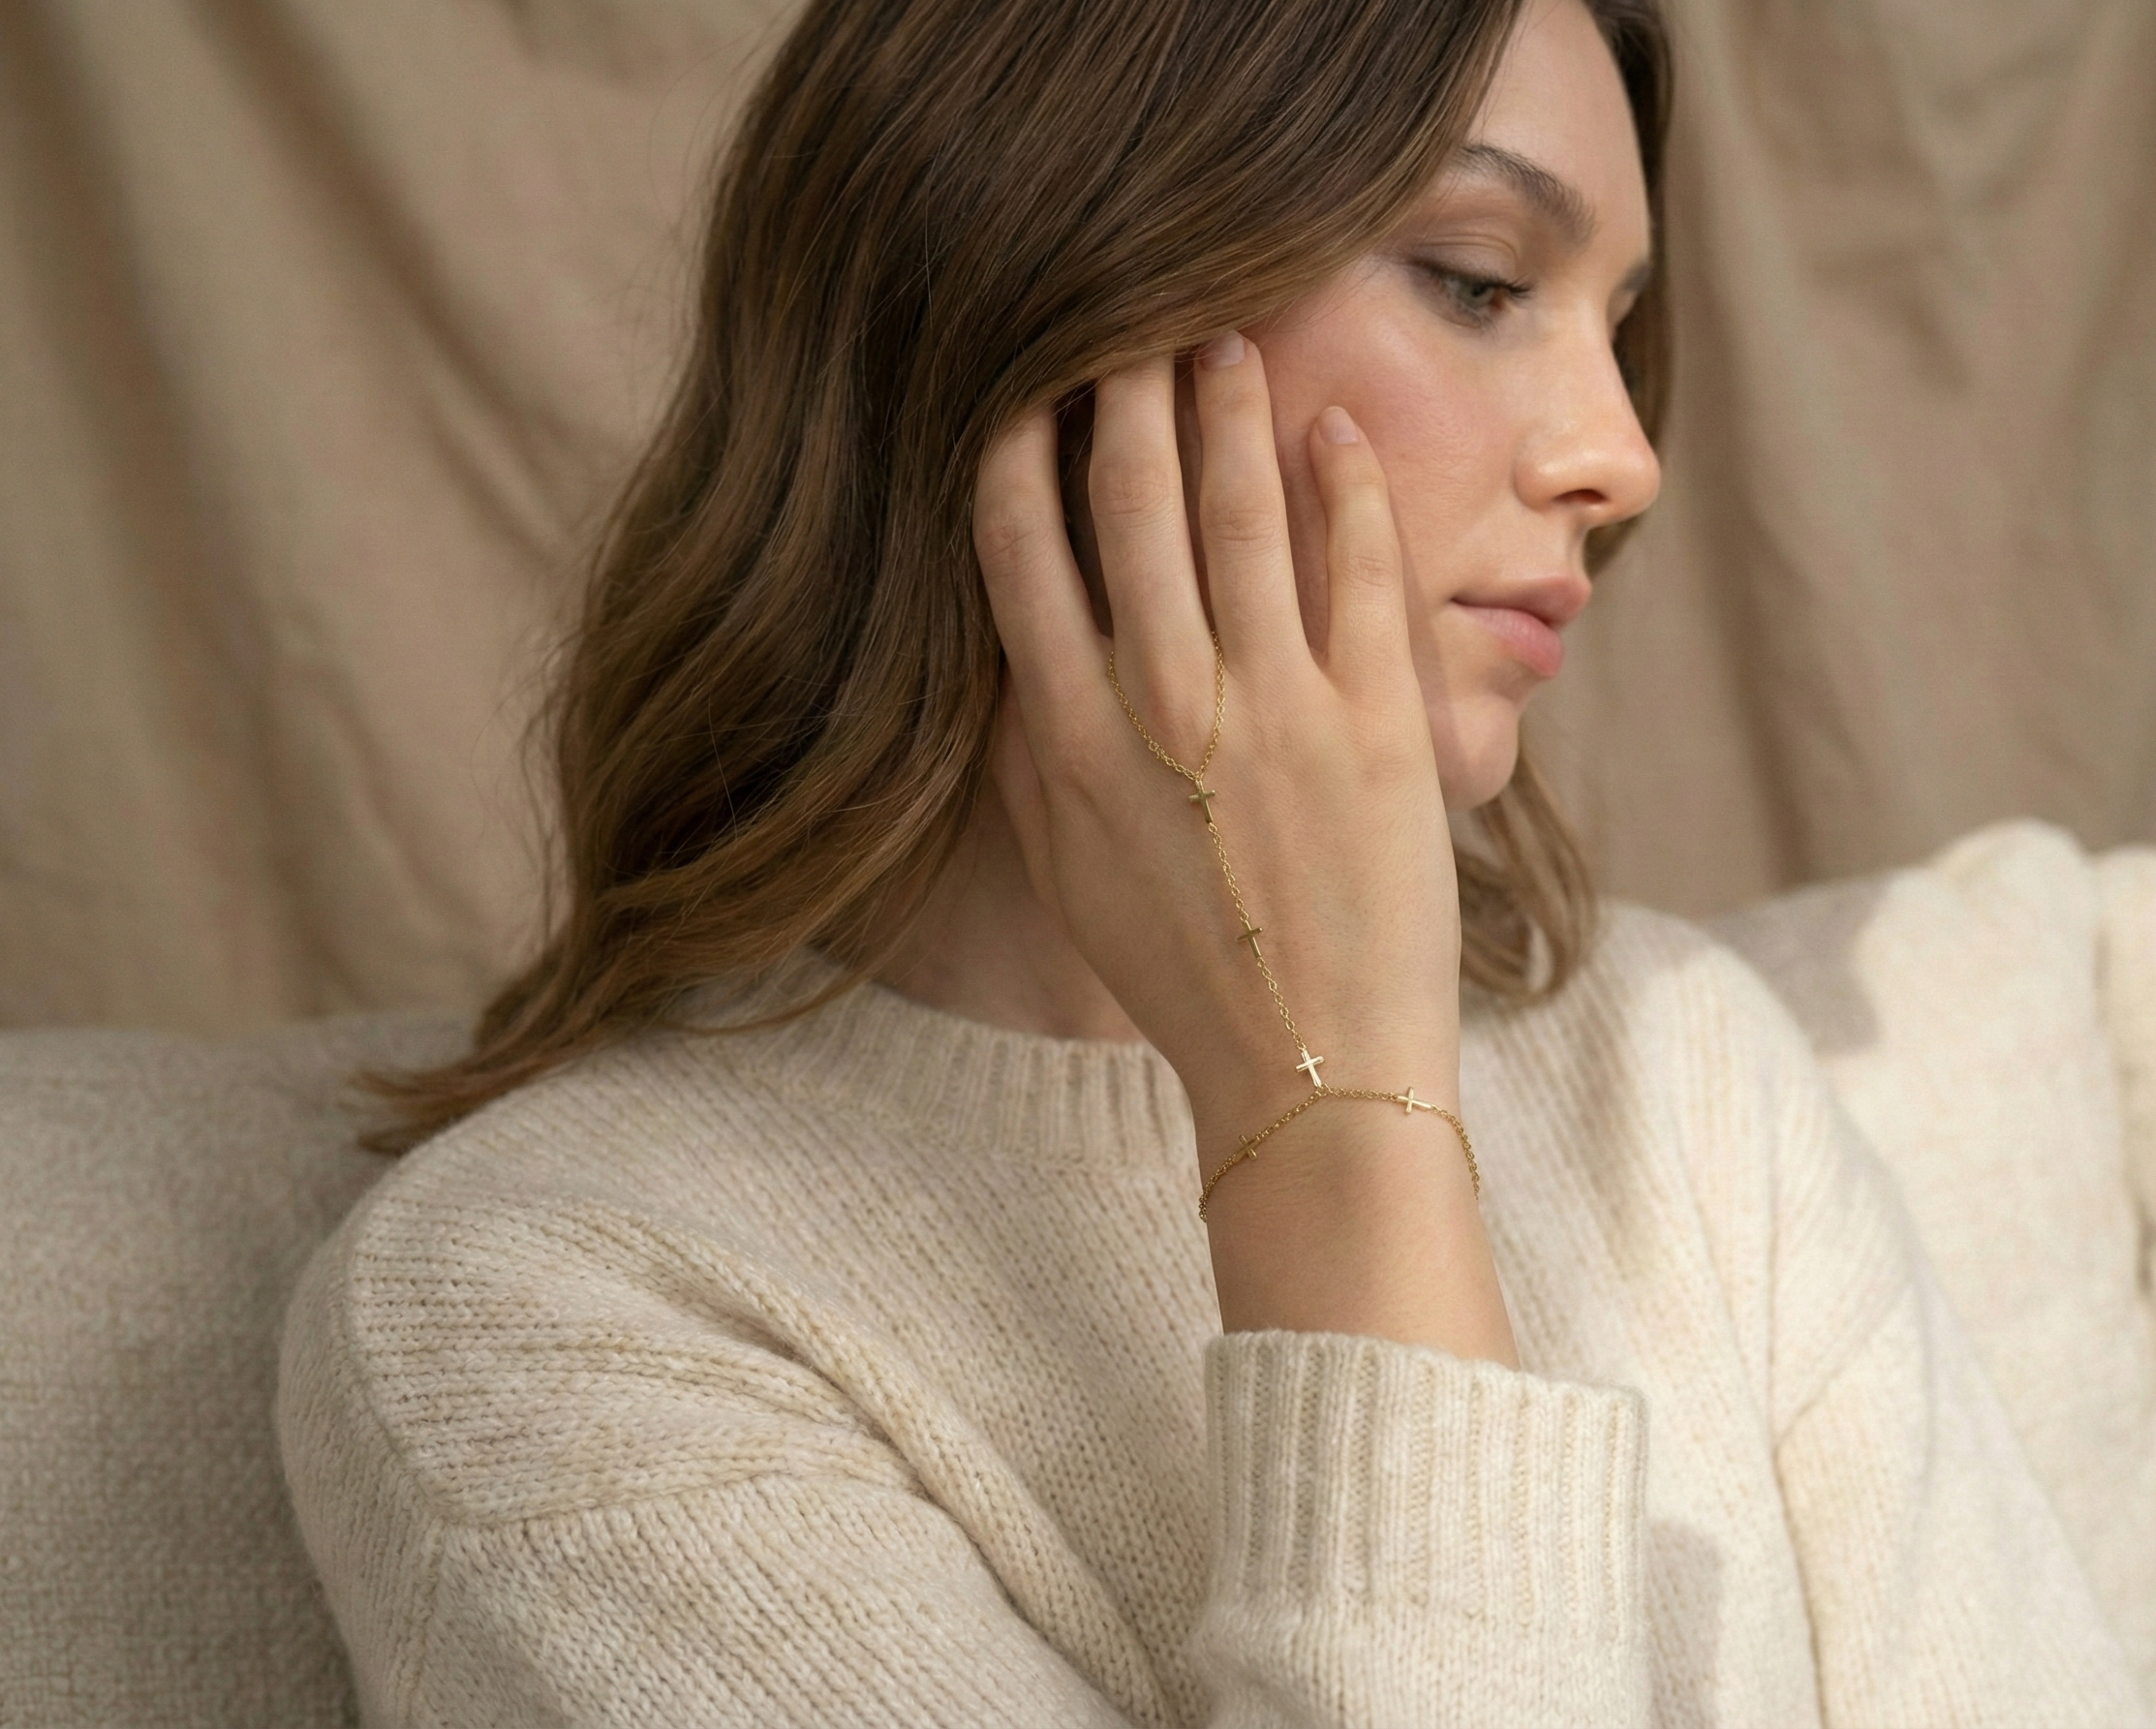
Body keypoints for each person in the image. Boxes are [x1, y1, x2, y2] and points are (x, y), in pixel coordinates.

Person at [276, 0, 2150, 1721]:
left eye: (1615, 322)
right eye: (1480, 279)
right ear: (1043, 291)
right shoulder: (542, 1312)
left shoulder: (1682, 1072)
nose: (1620, 455)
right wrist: (1330, 1131)